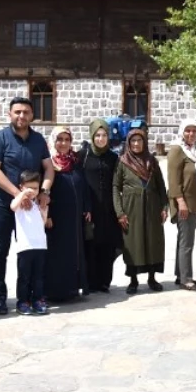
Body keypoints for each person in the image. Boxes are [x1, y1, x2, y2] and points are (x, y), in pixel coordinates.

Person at [0, 97, 53, 315]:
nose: (21, 116)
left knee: (32, 253)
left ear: (31, 115)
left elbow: (49, 168)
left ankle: (31, 297)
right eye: (17, 112)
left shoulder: (38, 140)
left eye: (26, 112)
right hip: (3, 204)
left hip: (30, 209)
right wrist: (18, 194)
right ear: (9, 114)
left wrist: (44, 192)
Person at [113, 127, 168, 293]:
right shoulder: (122, 162)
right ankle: (133, 280)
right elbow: (116, 187)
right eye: (133, 141)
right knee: (133, 241)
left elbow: (161, 186)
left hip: (152, 206)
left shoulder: (152, 161)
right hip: (131, 207)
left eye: (139, 140)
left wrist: (164, 206)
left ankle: (152, 278)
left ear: (144, 142)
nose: (136, 144)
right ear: (129, 143)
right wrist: (120, 212)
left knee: (153, 241)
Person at [44, 126, 89, 303]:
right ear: (53, 141)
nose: (63, 143)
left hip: (74, 216)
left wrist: (86, 207)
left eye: (67, 139)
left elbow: (83, 186)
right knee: (56, 254)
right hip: (55, 218)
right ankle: (55, 291)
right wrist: (46, 215)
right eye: (59, 139)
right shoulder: (48, 163)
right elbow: (45, 191)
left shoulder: (75, 161)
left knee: (73, 253)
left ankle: (71, 288)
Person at [79, 119, 122, 294]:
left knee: (108, 245)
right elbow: (80, 181)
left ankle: (105, 281)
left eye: (104, 135)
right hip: (91, 208)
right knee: (91, 244)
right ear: (92, 135)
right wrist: (84, 205)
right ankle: (90, 282)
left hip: (109, 208)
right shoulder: (84, 155)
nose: (101, 139)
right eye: (97, 135)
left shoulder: (113, 157)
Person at [168, 119, 196, 292]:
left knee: (184, 240)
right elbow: (173, 179)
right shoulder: (177, 150)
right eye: (187, 131)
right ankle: (186, 279)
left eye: (194, 131)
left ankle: (180, 274)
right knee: (187, 242)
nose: (191, 134)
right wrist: (180, 202)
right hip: (185, 204)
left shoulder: (194, 151)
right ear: (182, 132)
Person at [10, 170, 50, 316]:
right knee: (24, 277)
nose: (33, 191)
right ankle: (22, 301)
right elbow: (13, 206)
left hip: (40, 246)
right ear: (21, 187)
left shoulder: (37, 204)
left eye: (35, 188)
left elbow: (42, 223)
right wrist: (22, 195)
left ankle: (37, 300)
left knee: (38, 276)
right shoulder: (20, 204)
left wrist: (44, 211)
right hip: (25, 247)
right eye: (29, 188)